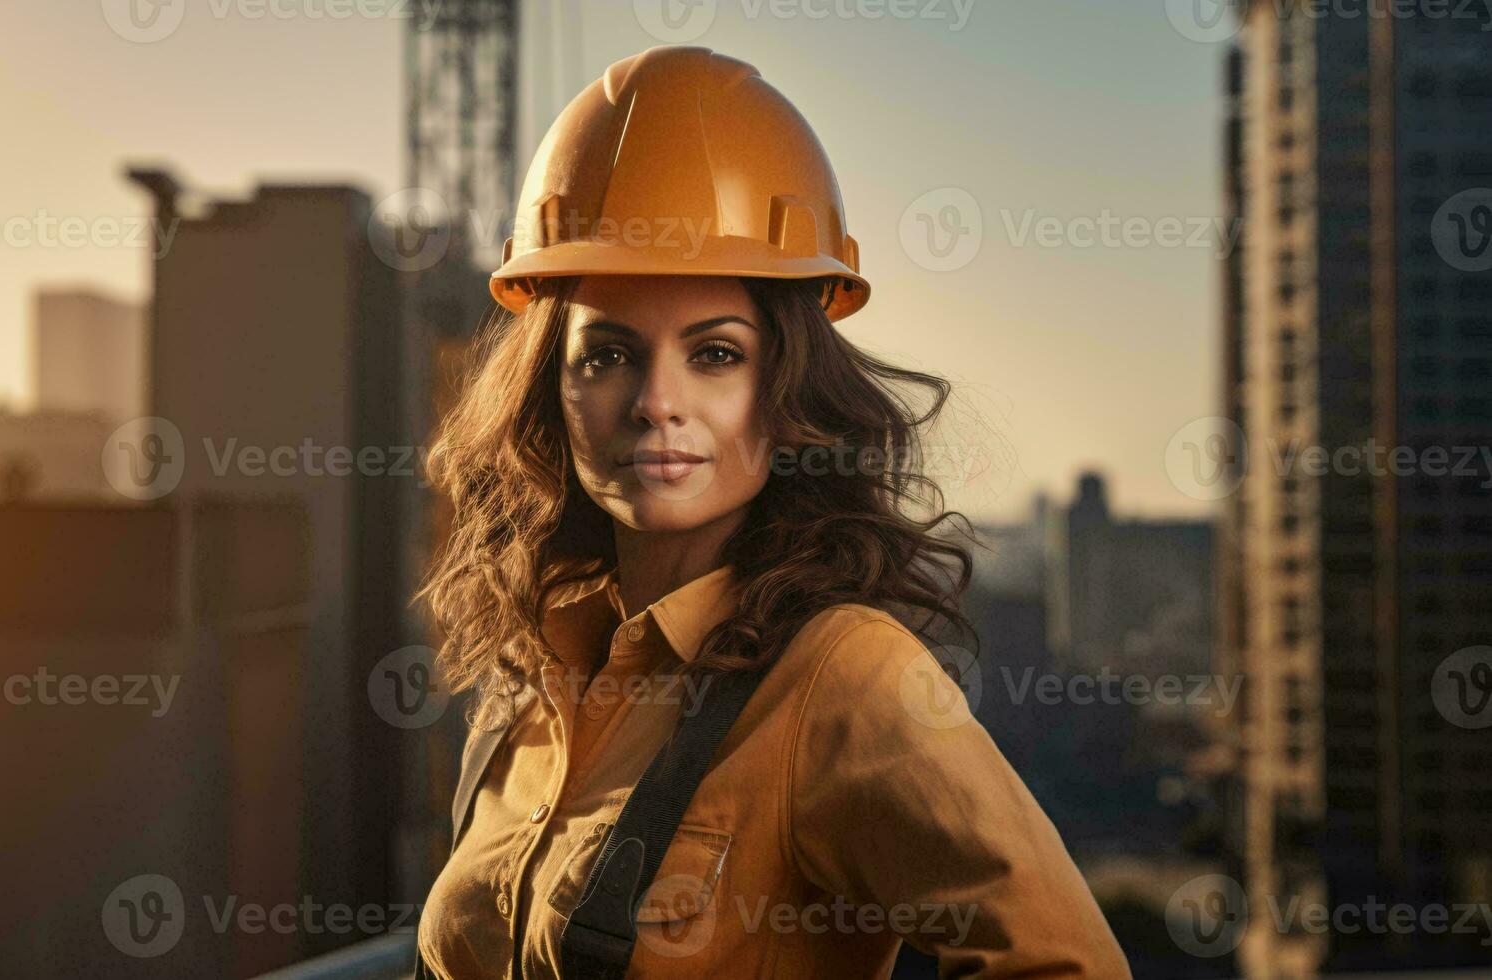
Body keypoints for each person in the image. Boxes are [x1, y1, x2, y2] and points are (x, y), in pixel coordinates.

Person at [412, 44, 1130, 979]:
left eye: (713, 355)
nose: (654, 402)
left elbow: (1065, 965)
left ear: (786, 394)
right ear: (550, 391)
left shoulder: (840, 680)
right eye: (606, 355)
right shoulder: (529, 673)